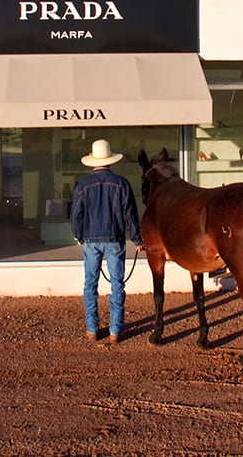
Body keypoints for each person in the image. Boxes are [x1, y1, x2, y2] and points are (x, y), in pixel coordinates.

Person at [70, 139, 143, 344]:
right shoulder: (122, 184)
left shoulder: (83, 186)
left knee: (90, 285)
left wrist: (80, 236)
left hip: (91, 240)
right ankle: (115, 331)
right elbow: (130, 215)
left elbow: (76, 215)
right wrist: (137, 239)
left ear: (92, 162)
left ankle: (92, 329)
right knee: (117, 284)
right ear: (111, 161)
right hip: (115, 239)